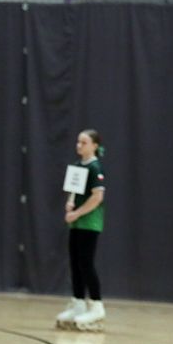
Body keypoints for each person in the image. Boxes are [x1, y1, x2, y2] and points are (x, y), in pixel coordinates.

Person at [55, 130, 107, 332]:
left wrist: (78, 213)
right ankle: (78, 303)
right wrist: (70, 204)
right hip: (76, 224)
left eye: (84, 142)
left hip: (89, 223)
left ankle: (96, 305)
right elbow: (73, 191)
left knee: (86, 263)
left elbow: (97, 197)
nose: (79, 145)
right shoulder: (77, 166)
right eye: (78, 142)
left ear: (94, 145)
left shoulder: (95, 168)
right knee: (75, 264)